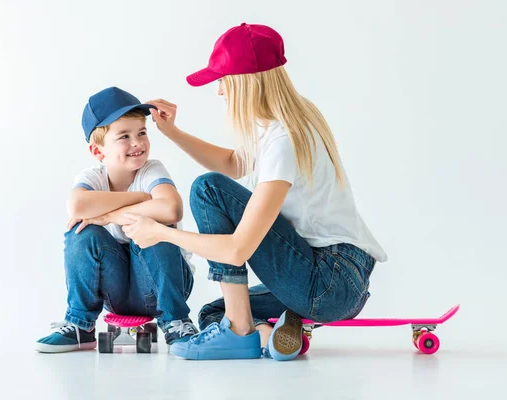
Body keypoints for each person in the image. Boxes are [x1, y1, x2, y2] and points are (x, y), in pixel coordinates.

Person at [122, 23, 388, 361]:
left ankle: (241, 331)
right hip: (343, 283)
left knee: (208, 190)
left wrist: (160, 233)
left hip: (329, 280)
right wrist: (173, 132)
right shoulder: (291, 118)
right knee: (212, 313)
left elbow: (236, 250)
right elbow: (234, 163)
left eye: (223, 81)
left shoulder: (283, 139)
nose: (219, 92)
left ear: (244, 82)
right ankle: (271, 332)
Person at [35, 87, 198, 353]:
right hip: (117, 292)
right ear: (98, 151)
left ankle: (177, 321)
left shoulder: (151, 170)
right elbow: (76, 206)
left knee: (153, 227)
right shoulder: (93, 177)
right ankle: (80, 326)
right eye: (124, 136)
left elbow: (171, 209)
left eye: (142, 133)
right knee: (81, 230)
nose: (138, 143)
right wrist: (141, 200)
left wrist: (108, 216)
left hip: (164, 288)